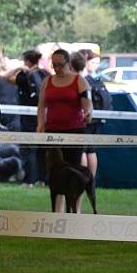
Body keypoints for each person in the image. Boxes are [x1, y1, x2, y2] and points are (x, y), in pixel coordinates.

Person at [37, 49, 92, 212]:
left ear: (68, 63)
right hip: (52, 132)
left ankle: (75, 210)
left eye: (60, 65)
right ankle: (57, 211)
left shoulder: (79, 80)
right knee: (55, 173)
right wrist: (40, 124)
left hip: (75, 131)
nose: (57, 68)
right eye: (54, 65)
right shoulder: (47, 81)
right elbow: (41, 106)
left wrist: (88, 112)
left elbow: (87, 103)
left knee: (74, 172)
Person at [15, 49, 48, 186]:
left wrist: (18, 68)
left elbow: (6, 78)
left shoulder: (24, 76)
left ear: (27, 61)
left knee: (28, 148)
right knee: (42, 148)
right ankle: (43, 179)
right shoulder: (45, 74)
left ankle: (29, 180)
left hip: (28, 116)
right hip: (44, 114)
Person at [79, 49, 110, 180]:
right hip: (98, 118)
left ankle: (82, 178)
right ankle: (91, 180)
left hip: (86, 119)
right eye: (94, 62)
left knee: (82, 150)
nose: (95, 65)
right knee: (91, 150)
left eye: (97, 63)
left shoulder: (83, 80)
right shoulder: (98, 80)